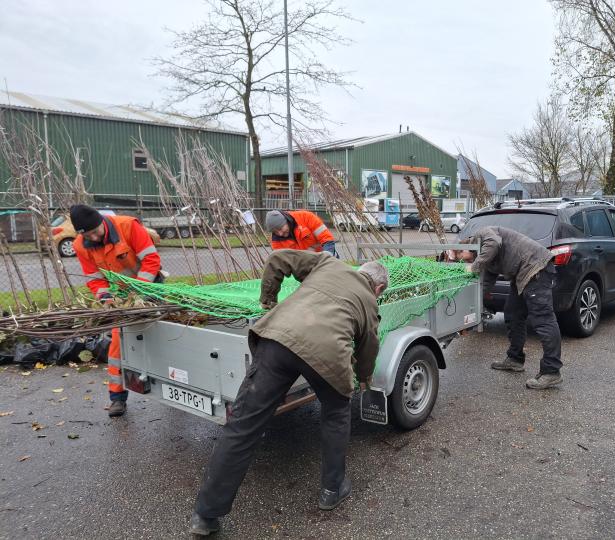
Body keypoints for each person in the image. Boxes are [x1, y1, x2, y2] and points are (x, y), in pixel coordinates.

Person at [190, 250, 388, 536]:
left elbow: (278, 258)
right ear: (378, 288)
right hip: (328, 357)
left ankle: (205, 515)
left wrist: (268, 301)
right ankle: (332, 490)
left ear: (360, 271)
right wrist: (363, 378)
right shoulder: (370, 302)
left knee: (243, 426)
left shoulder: (327, 263)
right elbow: (369, 347)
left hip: (278, 341)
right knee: (336, 413)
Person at [70, 205, 163, 417]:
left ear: (102, 221)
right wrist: (106, 299)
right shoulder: (80, 245)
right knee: (118, 343)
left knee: (162, 332)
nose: (94, 237)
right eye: (88, 234)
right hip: (121, 297)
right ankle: (117, 399)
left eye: (96, 231)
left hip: (149, 287)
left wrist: (139, 293)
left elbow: (151, 261)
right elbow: (95, 279)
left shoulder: (128, 226)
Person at [455, 226, 563, 390]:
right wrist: (470, 309)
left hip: (536, 269)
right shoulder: (485, 258)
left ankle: (551, 371)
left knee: (543, 320)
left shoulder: (482, 235)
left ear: (465, 247)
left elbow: (495, 243)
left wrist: (474, 266)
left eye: (461, 257)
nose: (464, 261)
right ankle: (515, 359)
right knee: (513, 314)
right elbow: (485, 285)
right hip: (522, 275)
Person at [265, 209, 338, 256]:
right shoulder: (276, 241)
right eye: (275, 232)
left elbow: (327, 239)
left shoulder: (306, 217)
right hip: (304, 267)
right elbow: (282, 261)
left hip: (325, 257)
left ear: (286, 220)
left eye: (280, 228)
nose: (280, 234)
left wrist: (327, 256)